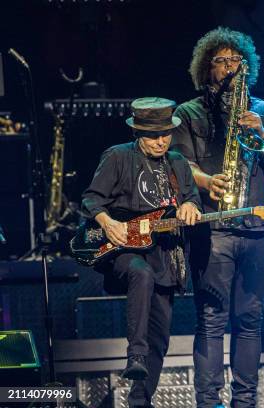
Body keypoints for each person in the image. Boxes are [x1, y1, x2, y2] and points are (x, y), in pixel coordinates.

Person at [170, 27, 264, 408]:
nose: (229, 67)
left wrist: (261, 133)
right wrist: (206, 181)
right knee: (210, 320)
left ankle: (245, 402)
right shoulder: (188, 113)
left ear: (247, 66)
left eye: (235, 60)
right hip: (212, 227)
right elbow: (178, 165)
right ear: (206, 68)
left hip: (255, 228)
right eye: (221, 61)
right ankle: (208, 402)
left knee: (250, 321)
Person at [82, 97, 202, 407]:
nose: (161, 141)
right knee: (139, 271)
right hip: (122, 249)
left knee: (160, 339)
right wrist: (107, 222)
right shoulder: (118, 157)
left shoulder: (177, 163)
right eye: (153, 135)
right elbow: (92, 198)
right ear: (138, 133)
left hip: (164, 255)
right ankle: (134, 352)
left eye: (166, 134)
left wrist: (190, 205)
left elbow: (192, 200)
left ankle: (139, 401)